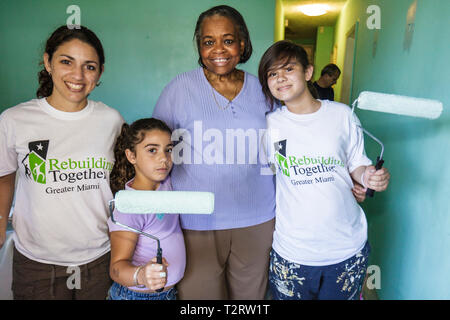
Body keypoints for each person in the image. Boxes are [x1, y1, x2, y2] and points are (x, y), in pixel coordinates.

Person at [152, 5, 275, 299]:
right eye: (208, 41)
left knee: (250, 300)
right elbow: (155, 152)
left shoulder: (264, 90)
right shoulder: (179, 89)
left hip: (256, 218)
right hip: (197, 221)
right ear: (199, 46)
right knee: (200, 299)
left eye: (228, 40)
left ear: (242, 44)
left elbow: (286, 147)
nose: (218, 49)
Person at [258, 40, 390, 300]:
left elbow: (356, 163)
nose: (280, 78)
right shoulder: (268, 125)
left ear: (308, 73)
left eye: (288, 69)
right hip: (293, 251)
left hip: (346, 248)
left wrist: (369, 177)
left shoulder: (341, 115)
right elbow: (264, 176)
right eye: (272, 73)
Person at [0, 25, 124, 300]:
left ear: (100, 72)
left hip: (99, 256)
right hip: (36, 262)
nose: (78, 76)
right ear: (48, 62)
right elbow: (5, 173)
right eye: (66, 61)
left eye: (89, 67)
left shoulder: (112, 121)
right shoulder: (15, 120)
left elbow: (124, 180)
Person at [107, 118, 185, 300]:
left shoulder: (165, 183)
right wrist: (141, 275)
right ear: (131, 156)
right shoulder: (129, 206)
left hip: (168, 293)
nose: (163, 159)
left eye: (168, 150)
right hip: (136, 296)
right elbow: (116, 268)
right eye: (152, 150)